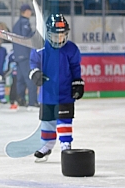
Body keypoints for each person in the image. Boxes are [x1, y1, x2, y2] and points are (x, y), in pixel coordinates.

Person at [29, 14, 84, 162]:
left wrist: (78, 82)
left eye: (62, 35)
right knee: (47, 121)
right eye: (55, 35)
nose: (59, 38)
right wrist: (35, 74)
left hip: (65, 93)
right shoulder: (40, 48)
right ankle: (47, 146)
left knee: (64, 120)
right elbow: (33, 64)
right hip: (47, 93)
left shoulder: (71, 49)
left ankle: (66, 145)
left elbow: (75, 68)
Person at [13, 4, 38, 110]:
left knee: (20, 79)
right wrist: (36, 34)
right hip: (25, 54)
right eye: (29, 11)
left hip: (18, 55)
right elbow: (26, 36)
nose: (30, 13)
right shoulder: (24, 22)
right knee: (30, 78)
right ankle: (32, 102)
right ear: (25, 11)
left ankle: (21, 100)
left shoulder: (16, 24)